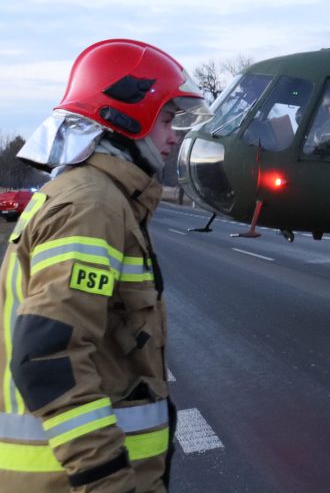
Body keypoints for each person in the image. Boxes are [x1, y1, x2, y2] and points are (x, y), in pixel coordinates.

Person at [0, 39, 212, 492]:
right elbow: (47, 357)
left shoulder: (94, 195)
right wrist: (107, 480)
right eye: (168, 120)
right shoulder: (92, 205)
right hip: (73, 480)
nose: (174, 136)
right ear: (124, 116)